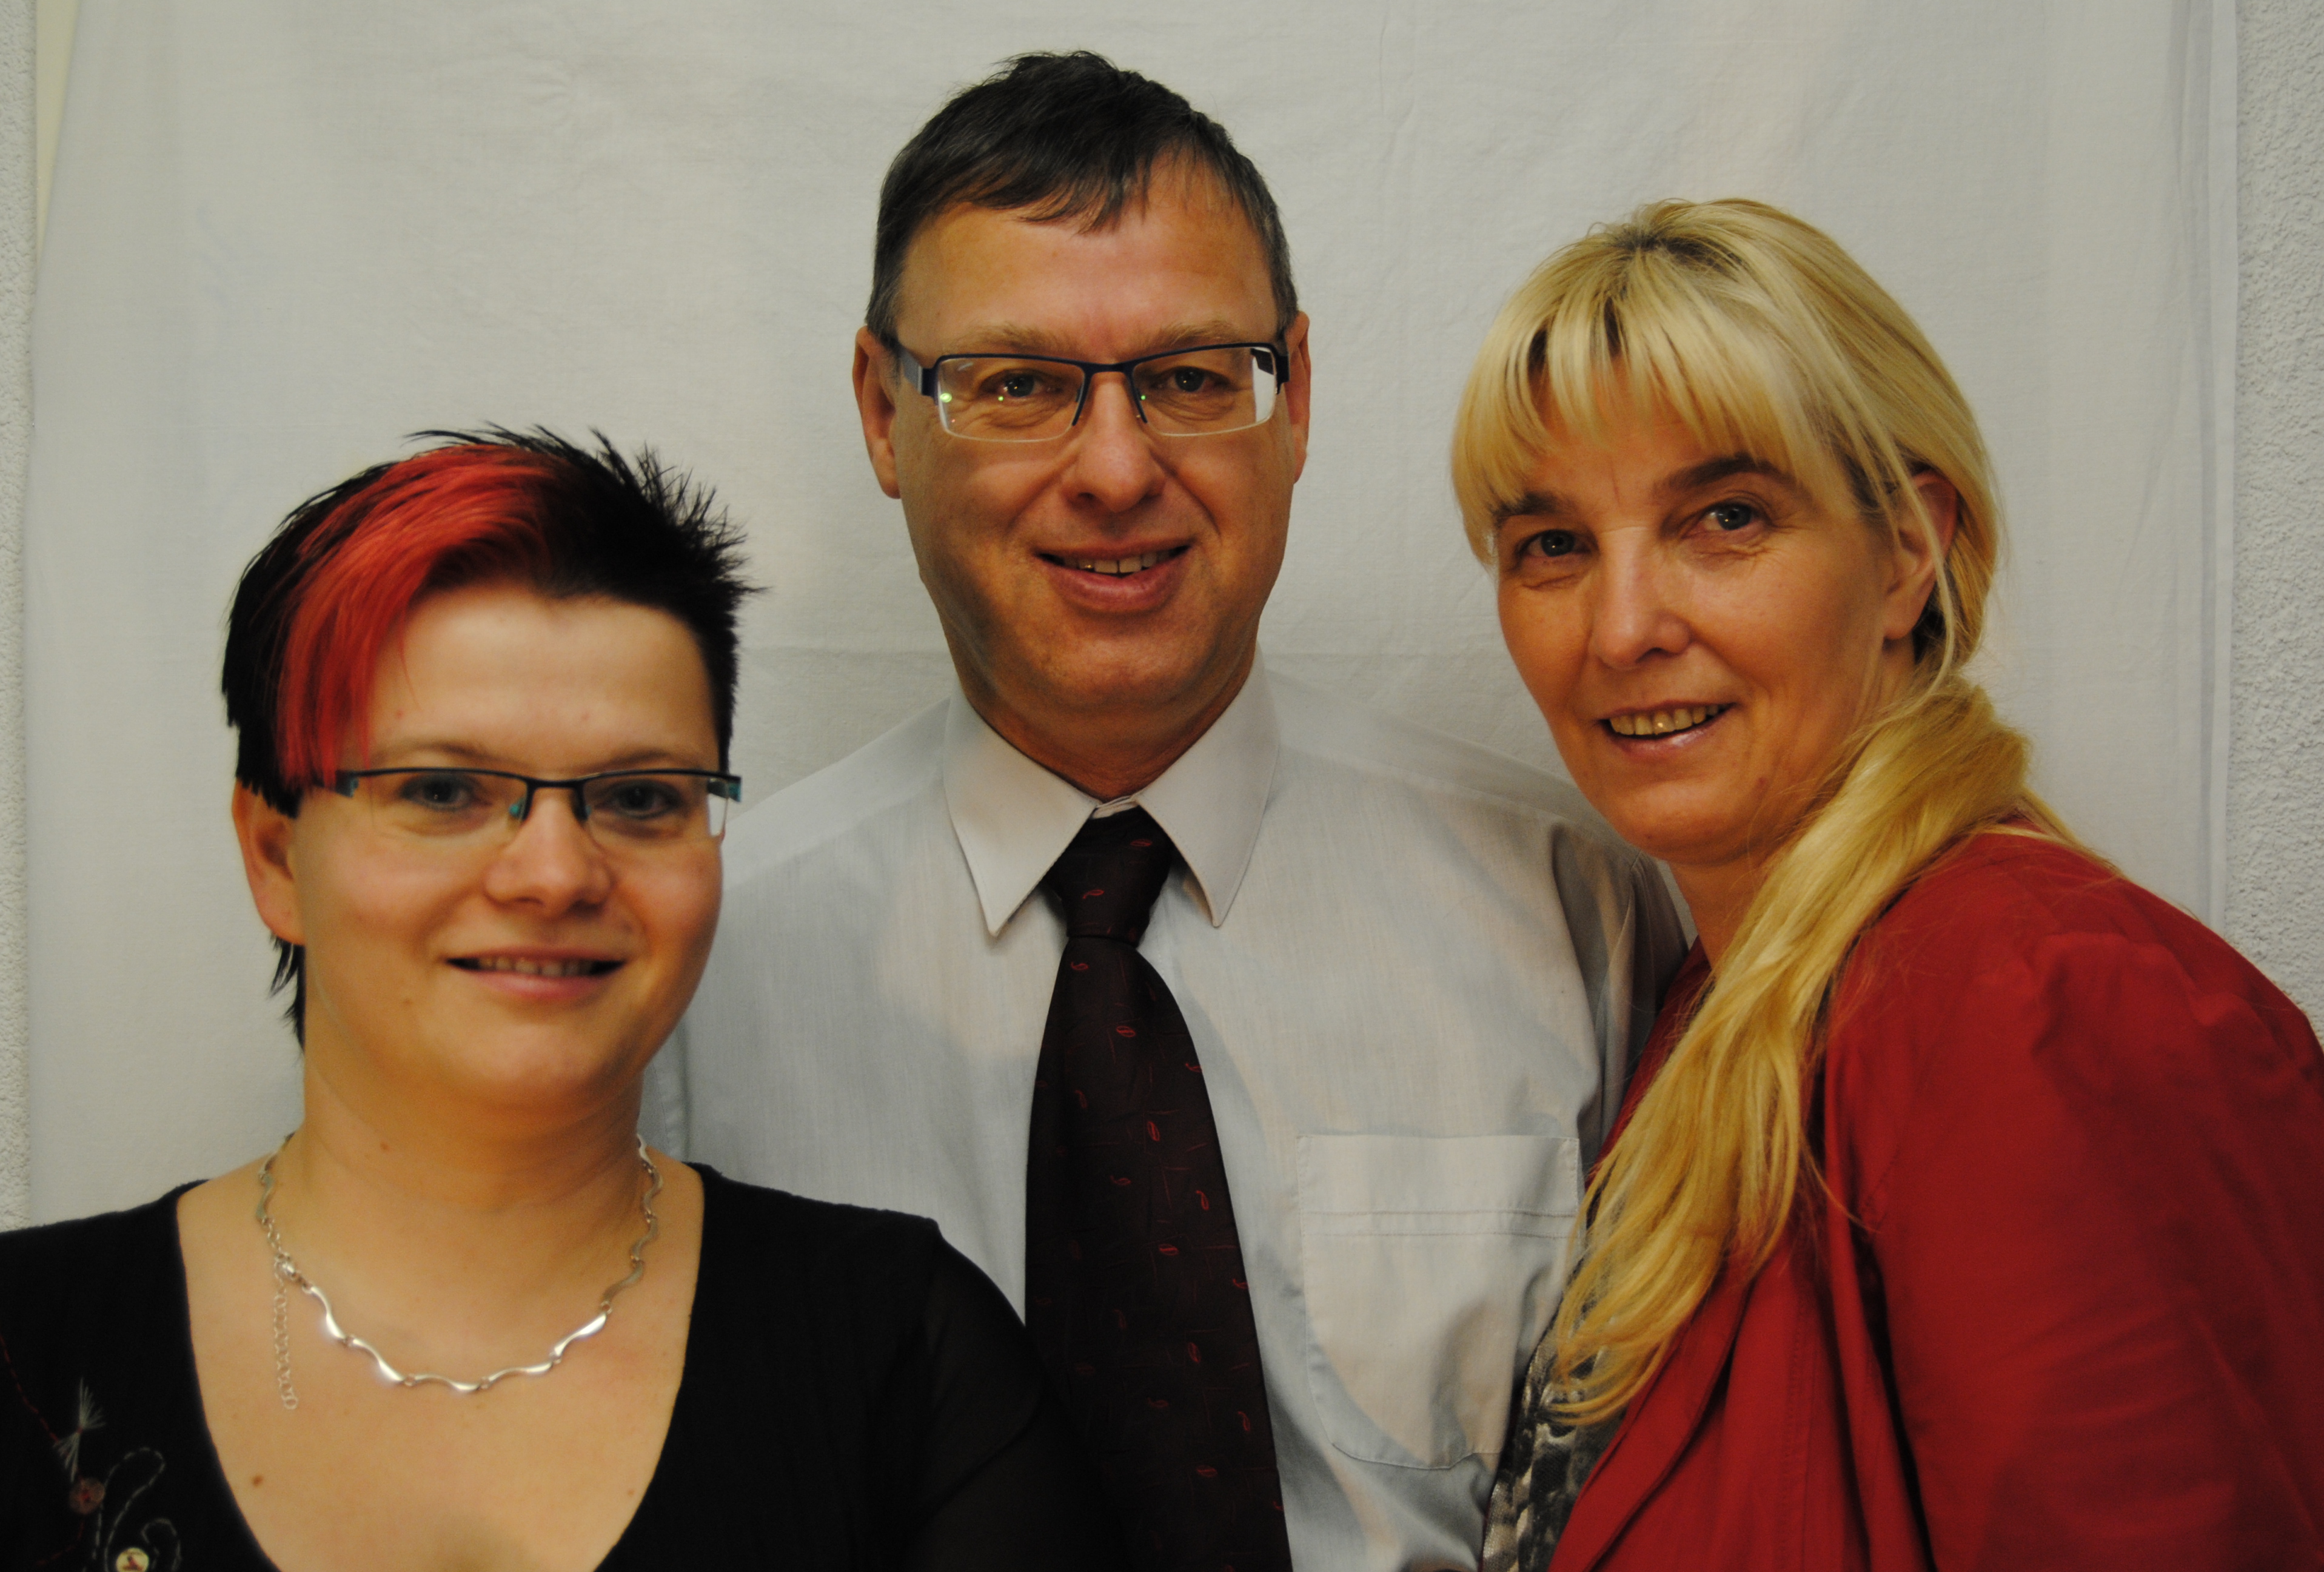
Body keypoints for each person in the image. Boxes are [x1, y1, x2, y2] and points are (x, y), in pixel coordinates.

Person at [655, 51, 1683, 1572]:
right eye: (1015, 386)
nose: (1117, 468)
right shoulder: (697, 969)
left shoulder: (1572, 909)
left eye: (1193, 377)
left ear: (1295, 398)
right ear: (882, 413)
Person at [0, 431, 1122, 1571]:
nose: (554, 875)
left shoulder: (907, 1358)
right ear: (277, 857)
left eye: (639, 797)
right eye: (443, 790)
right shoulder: (25, 1352)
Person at [1453, 199, 2324, 1572]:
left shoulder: (2035, 1003)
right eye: (1553, 546)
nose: (1622, 628)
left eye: (1725, 518)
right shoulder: (1729, 1000)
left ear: (1907, 554)